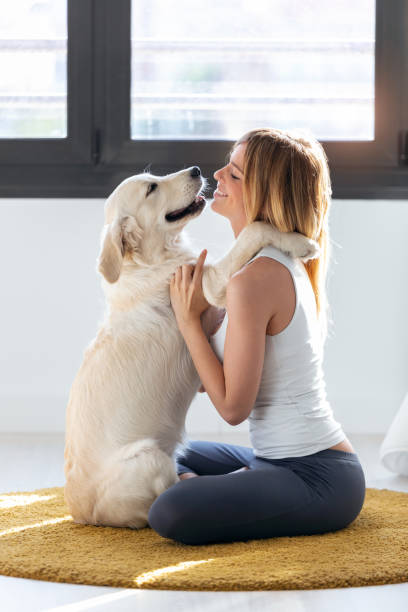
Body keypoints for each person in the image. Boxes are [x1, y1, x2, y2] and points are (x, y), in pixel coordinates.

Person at [147, 127, 366, 546]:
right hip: (275, 461)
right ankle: (241, 484)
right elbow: (213, 385)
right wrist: (202, 328)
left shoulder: (256, 278)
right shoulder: (265, 261)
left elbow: (232, 408)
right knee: (157, 451)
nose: (217, 175)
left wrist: (190, 322)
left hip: (317, 475)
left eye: (234, 173)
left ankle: (225, 489)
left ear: (265, 194)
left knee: (169, 509)